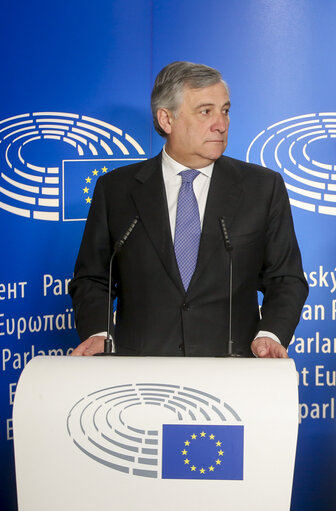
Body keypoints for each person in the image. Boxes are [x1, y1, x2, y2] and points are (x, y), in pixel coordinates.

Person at [69, 61, 308, 358]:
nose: (221, 123)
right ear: (166, 119)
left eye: (225, 110)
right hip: (141, 374)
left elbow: (286, 278)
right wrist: (98, 332)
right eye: (206, 111)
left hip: (235, 369)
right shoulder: (116, 190)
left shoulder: (262, 187)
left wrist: (271, 333)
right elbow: (93, 278)